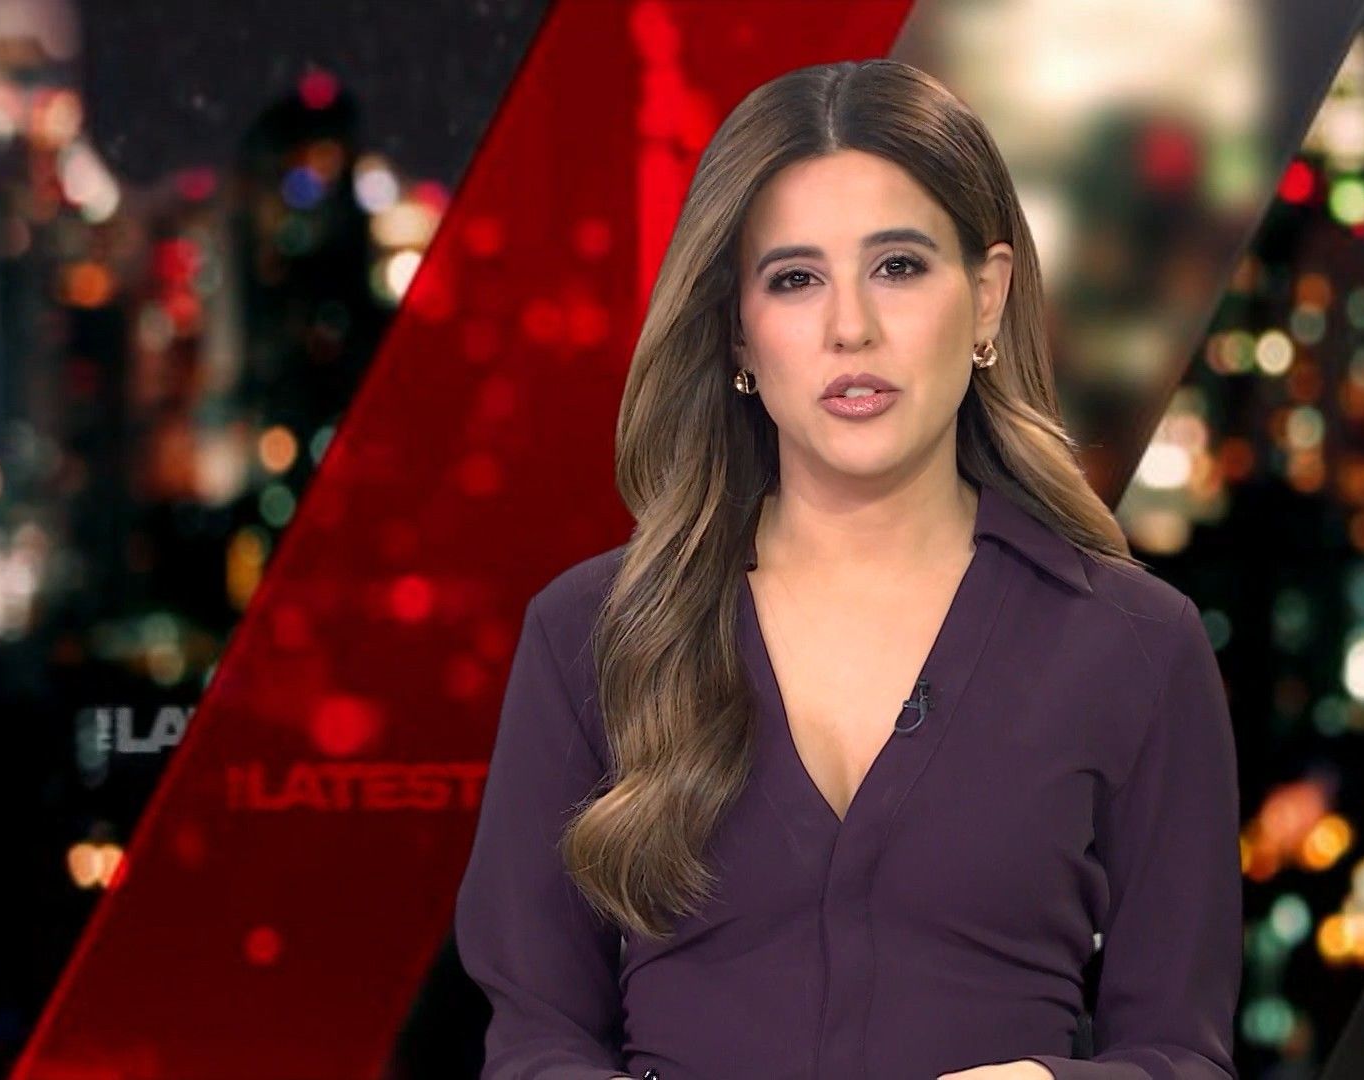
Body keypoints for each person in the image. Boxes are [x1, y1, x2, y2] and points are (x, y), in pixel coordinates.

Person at [454, 58, 1240, 1080]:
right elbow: (534, 1041)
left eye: (899, 267)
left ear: (988, 298)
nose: (850, 328)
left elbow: (1183, 1054)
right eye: (795, 279)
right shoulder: (591, 634)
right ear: (739, 331)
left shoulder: (1138, 646)